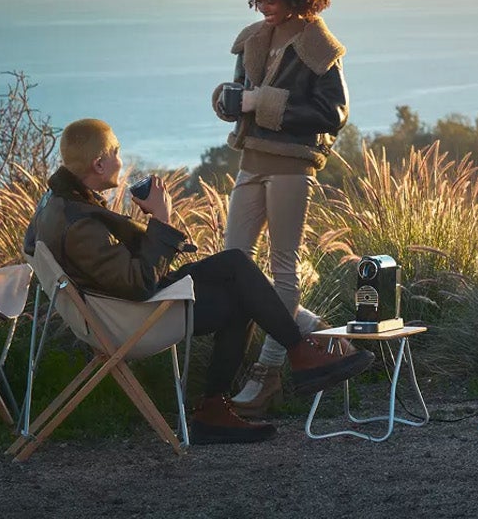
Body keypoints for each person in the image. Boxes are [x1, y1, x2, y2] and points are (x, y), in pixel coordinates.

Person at [25, 118, 371, 445]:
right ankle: (264, 377)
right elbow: (138, 283)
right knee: (239, 291)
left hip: (116, 308)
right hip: (130, 320)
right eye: (115, 152)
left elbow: (115, 272)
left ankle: (274, 370)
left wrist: (152, 230)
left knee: (236, 266)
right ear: (98, 165)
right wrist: (161, 221)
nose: (120, 158)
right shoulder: (79, 223)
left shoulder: (56, 205)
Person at [208, 0, 350, 415]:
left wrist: (259, 102)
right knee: (234, 267)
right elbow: (240, 97)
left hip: (292, 165)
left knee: (283, 268)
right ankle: (315, 331)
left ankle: (265, 374)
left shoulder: (318, 45)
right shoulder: (253, 38)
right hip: (251, 162)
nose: (264, 2)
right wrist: (228, 101)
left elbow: (333, 114)